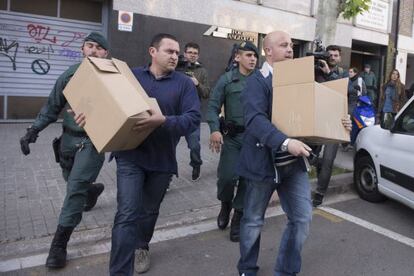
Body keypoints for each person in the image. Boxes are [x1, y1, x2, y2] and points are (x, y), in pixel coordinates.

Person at [236, 31, 352, 276]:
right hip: (262, 165)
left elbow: (312, 119)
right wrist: (286, 142)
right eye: (283, 45)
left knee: (301, 219)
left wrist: (340, 123)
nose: (290, 49)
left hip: (293, 166)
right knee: (254, 221)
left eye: (291, 45)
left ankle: (286, 271)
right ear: (268, 51)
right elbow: (255, 120)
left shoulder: (301, 82)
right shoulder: (256, 82)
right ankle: (247, 268)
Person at [105, 33, 201, 275]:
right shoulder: (132, 77)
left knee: (148, 211)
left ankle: (141, 246)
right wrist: (88, 116)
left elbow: (192, 119)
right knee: (127, 213)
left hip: (162, 160)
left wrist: (164, 121)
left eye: (177, 52)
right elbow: (109, 104)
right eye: (169, 51)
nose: (175, 56)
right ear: (152, 52)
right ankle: (119, 272)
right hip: (130, 155)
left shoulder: (184, 84)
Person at [19, 32, 109, 269]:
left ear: (105, 54)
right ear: (82, 49)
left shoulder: (113, 78)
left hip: (93, 141)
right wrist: (33, 131)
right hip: (68, 141)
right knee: (73, 183)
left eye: (99, 48)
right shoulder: (69, 75)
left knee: (74, 189)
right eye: (89, 46)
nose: (93, 50)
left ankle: (59, 245)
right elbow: (52, 107)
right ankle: (91, 192)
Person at [207, 41, 259, 242]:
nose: (253, 59)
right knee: (227, 178)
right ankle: (225, 205)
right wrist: (214, 130)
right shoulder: (227, 80)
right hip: (233, 138)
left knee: (247, 181)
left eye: (255, 56)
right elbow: (212, 107)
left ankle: (238, 216)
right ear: (237, 57)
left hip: (254, 139)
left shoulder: (261, 81)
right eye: (248, 55)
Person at [312, 45, 349, 207]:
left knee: (328, 160)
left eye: (335, 55)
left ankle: (320, 193)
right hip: (316, 119)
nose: (332, 57)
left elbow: (345, 92)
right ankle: (316, 163)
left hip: (335, 122)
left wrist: (329, 73)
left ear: (340, 58)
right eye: (330, 55)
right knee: (307, 155)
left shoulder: (343, 74)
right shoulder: (316, 71)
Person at [179, 42, 210, 181]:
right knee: (167, 147)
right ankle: (165, 176)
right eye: (190, 52)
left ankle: (196, 164)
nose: (192, 55)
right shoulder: (176, 67)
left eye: (195, 53)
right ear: (185, 53)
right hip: (175, 112)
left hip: (192, 113)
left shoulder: (202, 71)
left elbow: (206, 93)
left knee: (194, 145)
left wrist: (197, 84)